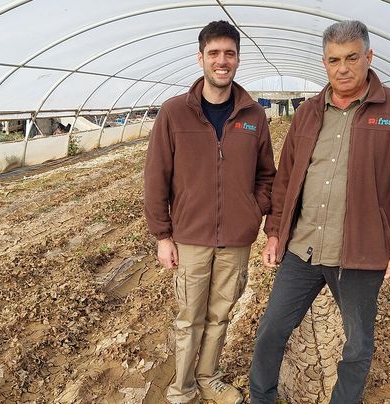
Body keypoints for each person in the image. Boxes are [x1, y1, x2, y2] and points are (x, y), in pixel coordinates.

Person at [249, 20, 390, 404]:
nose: (343, 68)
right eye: (334, 60)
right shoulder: (309, 112)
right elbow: (285, 180)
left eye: (352, 58)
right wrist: (274, 232)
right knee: (271, 331)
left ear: (369, 57)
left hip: (359, 254)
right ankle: (261, 397)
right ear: (324, 62)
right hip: (303, 249)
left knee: (357, 342)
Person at [143, 20, 276, 404]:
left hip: (235, 239)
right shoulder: (174, 113)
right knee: (189, 318)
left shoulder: (253, 116)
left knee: (220, 315)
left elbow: (267, 175)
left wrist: (253, 211)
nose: (222, 61)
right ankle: (182, 389)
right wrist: (162, 236)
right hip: (190, 237)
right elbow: (156, 177)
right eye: (214, 53)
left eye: (229, 54)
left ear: (237, 59)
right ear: (200, 58)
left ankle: (208, 377)